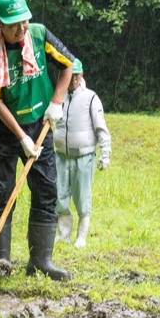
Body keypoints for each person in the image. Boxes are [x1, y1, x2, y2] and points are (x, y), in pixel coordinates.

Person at [0, 0, 82, 281]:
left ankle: (40, 261)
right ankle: (1, 263)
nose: (20, 30)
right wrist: (21, 138)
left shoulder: (39, 34)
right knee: (3, 191)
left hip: (39, 123)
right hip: (4, 129)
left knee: (47, 188)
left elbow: (69, 65)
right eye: (12, 25)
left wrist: (56, 103)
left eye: (23, 22)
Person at [53, 61, 111, 248]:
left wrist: (105, 153)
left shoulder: (91, 98)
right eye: (71, 75)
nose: (73, 80)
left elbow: (101, 127)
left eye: (77, 75)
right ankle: (63, 235)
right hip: (61, 155)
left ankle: (81, 237)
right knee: (60, 195)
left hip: (83, 156)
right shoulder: (59, 96)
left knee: (82, 196)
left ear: (82, 75)